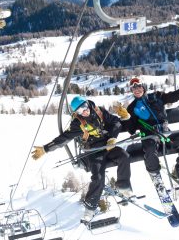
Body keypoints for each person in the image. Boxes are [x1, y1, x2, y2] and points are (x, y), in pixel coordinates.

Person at [31, 95, 131, 223]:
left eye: (84, 107)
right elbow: (63, 139)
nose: (84, 111)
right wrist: (46, 148)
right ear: (77, 113)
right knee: (98, 177)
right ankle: (90, 207)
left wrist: (112, 137)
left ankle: (124, 186)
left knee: (125, 156)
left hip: (108, 145)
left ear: (87, 104)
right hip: (94, 150)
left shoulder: (99, 111)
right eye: (80, 111)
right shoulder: (78, 124)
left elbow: (116, 122)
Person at [116, 68, 179, 184]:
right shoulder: (132, 108)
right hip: (149, 136)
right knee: (150, 151)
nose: (136, 90)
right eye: (133, 88)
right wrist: (127, 117)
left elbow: (175, 96)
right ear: (131, 91)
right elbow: (131, 129)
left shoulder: (157, 96)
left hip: (166, 134)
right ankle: (155, 175)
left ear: (143, 87)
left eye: (138, 86)